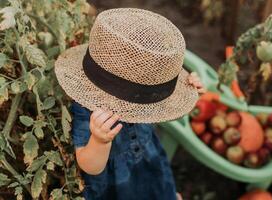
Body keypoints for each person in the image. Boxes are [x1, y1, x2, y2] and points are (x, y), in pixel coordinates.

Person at [54, 8, 205, 200]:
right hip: (116, 184)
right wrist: (99, 141)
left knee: (159, 188)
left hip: (149, 163)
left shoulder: (148, 96)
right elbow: (89, 165)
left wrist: (190, 91)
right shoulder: (88, 108)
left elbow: (165, 109)